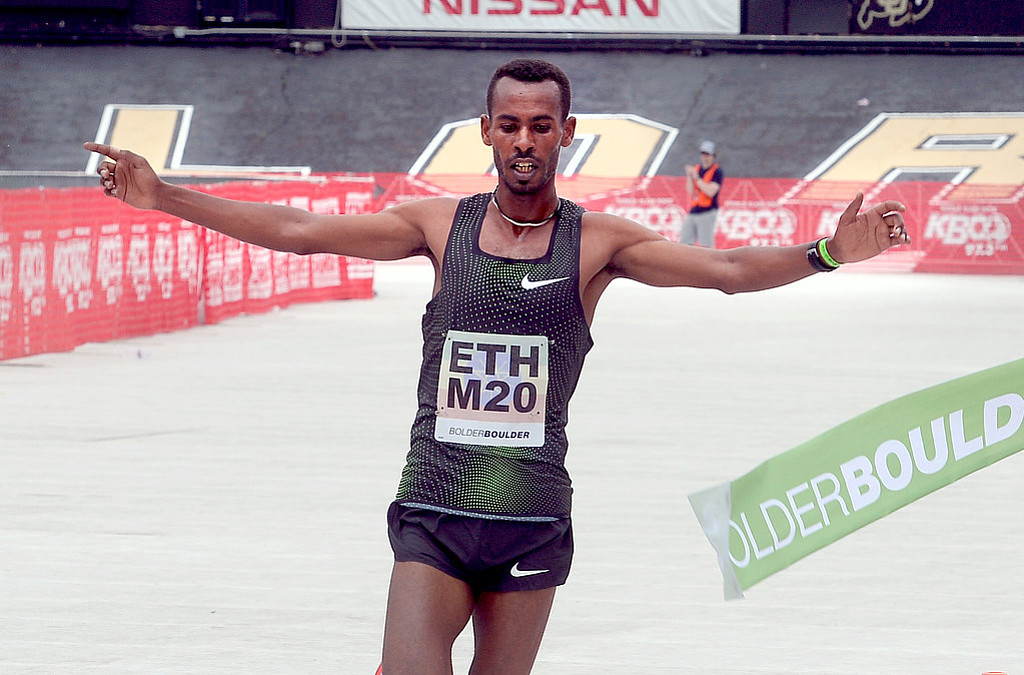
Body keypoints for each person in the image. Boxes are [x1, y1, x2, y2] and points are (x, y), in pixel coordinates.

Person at [83, 58, 909, 675]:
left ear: (565, 133)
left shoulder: (599, 243)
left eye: (541, 125)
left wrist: (829, 252)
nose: (524, 139)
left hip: (530, 515)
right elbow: (300, 231)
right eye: (509, 124)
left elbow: (726, 271)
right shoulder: (438, 226)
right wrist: (167, 196)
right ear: (486, 131)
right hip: (435, 508)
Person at [679, 139, 723, 247]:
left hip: (707, 211)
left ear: (713, 156)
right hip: (694, 210)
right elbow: (690, 191)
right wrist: (690, 176)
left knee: (706, 245)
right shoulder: (697, 169)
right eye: (703, 154)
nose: (705, 158)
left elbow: (710, 192)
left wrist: (696, 177)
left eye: (708, 155)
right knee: (685, 243)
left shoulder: (717, 172)